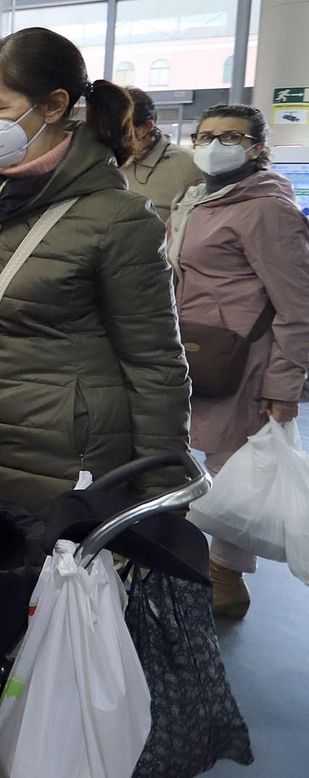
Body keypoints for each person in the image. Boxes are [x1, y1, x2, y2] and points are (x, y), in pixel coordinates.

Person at [0, 28, 190, 518]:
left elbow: (155, 365)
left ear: (56, 105)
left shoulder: (117, 218)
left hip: (63, 464)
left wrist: (160, 495)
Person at [168, 104, 309, 618]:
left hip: (245, 358)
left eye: (230, 135)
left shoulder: (268, 208)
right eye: (205, 134)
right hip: (196, 347)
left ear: (257, 147)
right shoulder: (199, 200)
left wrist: (284, 384)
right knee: (194, 457)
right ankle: (192, 561)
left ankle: (226, 577)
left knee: (234, 467)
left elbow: (298, 304)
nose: (214, 144)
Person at [123, 87, 203, 221]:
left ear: (146, 127)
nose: (109, 138)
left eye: (121, 131)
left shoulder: (189, 166)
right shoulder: (103, 161)